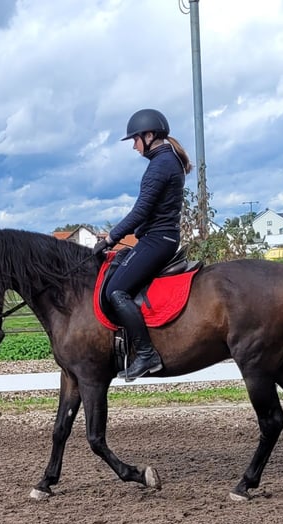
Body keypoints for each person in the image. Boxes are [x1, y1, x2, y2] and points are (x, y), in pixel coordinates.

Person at [93, 108, 193, 381]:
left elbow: (140, 211)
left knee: (116, 290)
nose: (134, 146)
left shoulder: (160, 165)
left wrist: (112, 237)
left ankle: (146, 354)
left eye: (136, 140)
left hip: (157, 241)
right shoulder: (167, 161)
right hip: (159, 237)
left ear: (150, 136)